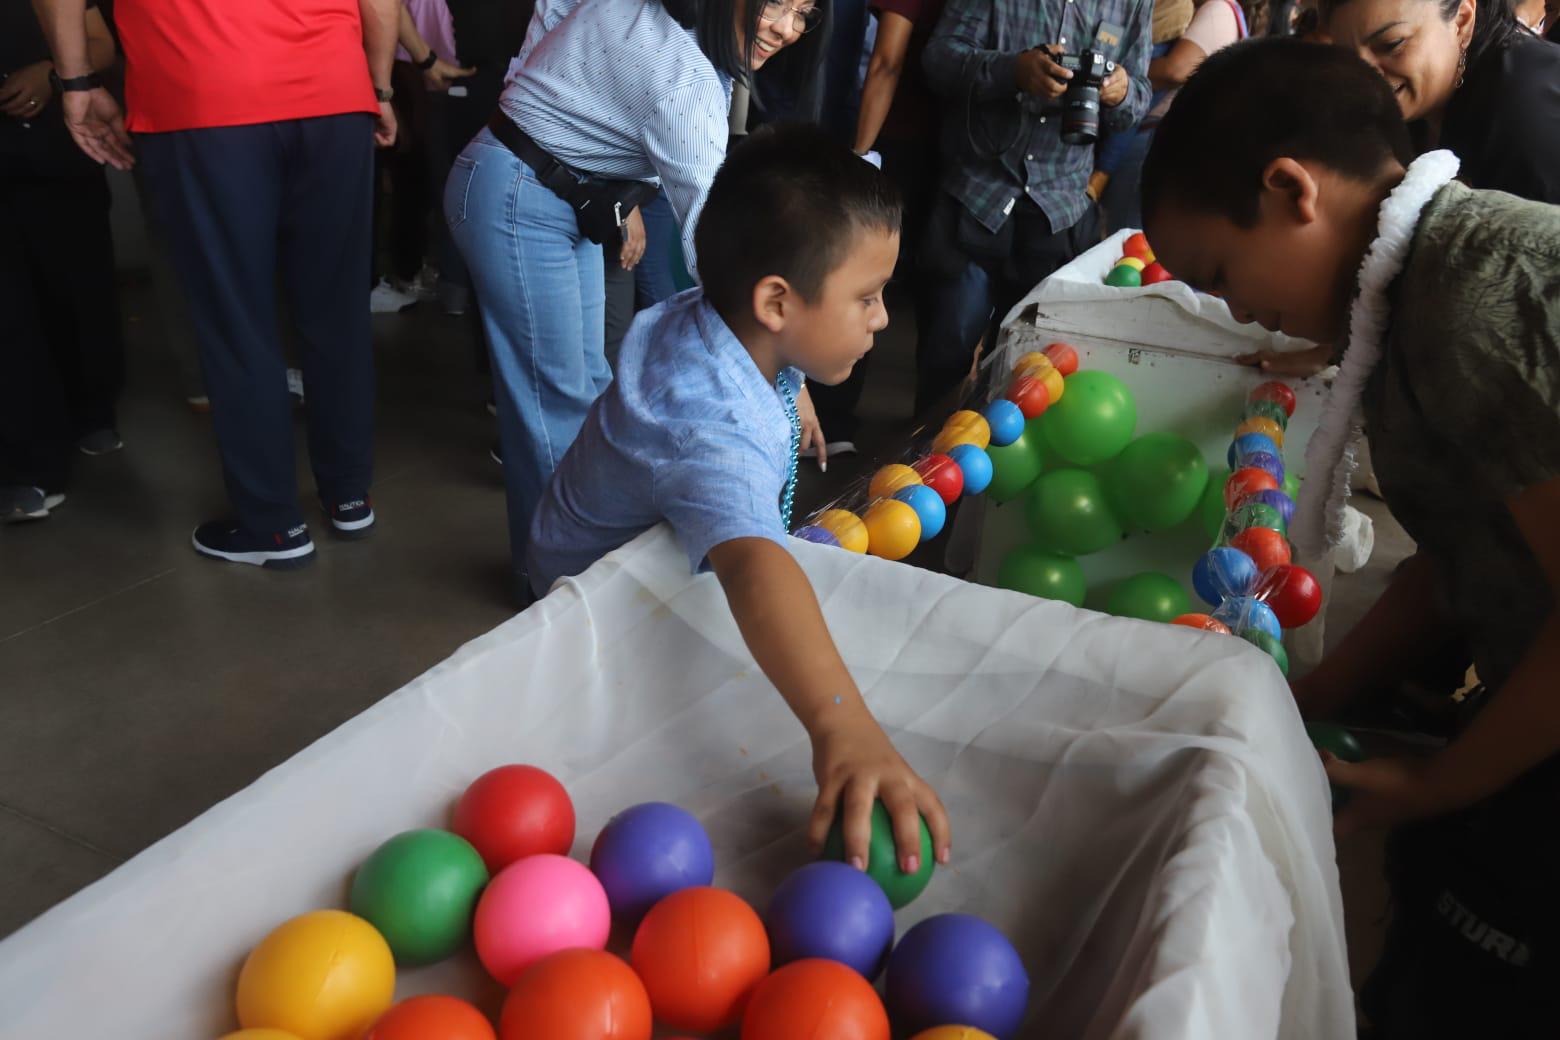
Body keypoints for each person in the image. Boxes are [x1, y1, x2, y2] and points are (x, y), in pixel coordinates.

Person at [1140, 38, 1560, 1036]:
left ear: (1292, 191)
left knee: (1471, 972)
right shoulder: (1414, 297)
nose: (1243, 310)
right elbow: (1459, 557)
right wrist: (1306, 698)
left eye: (1222, 273)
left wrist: (1437, 780)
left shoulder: (1471, 296)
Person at [528, 123, 951, 876]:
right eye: (868, 297)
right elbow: (756, 567)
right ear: (777, 303)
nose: (884, 318)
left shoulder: (732, 322)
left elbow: (752, 366)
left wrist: (793, 394)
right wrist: (844, 731)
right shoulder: (708, 426)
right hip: (587, 612)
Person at [446, 0, 828, 602]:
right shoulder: (685, 79)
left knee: (591, 385)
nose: (786, 28)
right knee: (555, 404)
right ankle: (551, 598)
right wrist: (791, 373)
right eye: (775, 2)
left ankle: (569, 575)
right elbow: (713, 244)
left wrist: (620, 194)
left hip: (567, 195)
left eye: (804, 12)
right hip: (518, 192)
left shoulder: (689, 36)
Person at [34, 0, 399, 567]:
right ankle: (349, 495)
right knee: (337, 310)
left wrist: (77, 80)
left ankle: (273, 525)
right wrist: (378, 86)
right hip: (333, 90)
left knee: (235, 316)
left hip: (203, 92)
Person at [918, 0, 1153, 412]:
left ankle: (996, 469)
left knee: (1027, 373)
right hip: (977, 192)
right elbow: (938, 59)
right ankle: (924, 463)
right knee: (948, 351)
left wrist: (1122, 92)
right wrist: (1013, 71)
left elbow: (1139, 100)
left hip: (1058, 208)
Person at [1, 0, 122, 521]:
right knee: (11, 318)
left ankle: (91, 408)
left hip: (56, 152)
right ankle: (30, 469)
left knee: (74, 289)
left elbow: (101, 43)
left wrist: (52, 73)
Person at [1323, 0, 1560, 205]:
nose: (1364, 77)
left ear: (1461, 21)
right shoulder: (1412, 106)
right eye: (1347, 57)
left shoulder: (1524, 113)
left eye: (1392, 44)